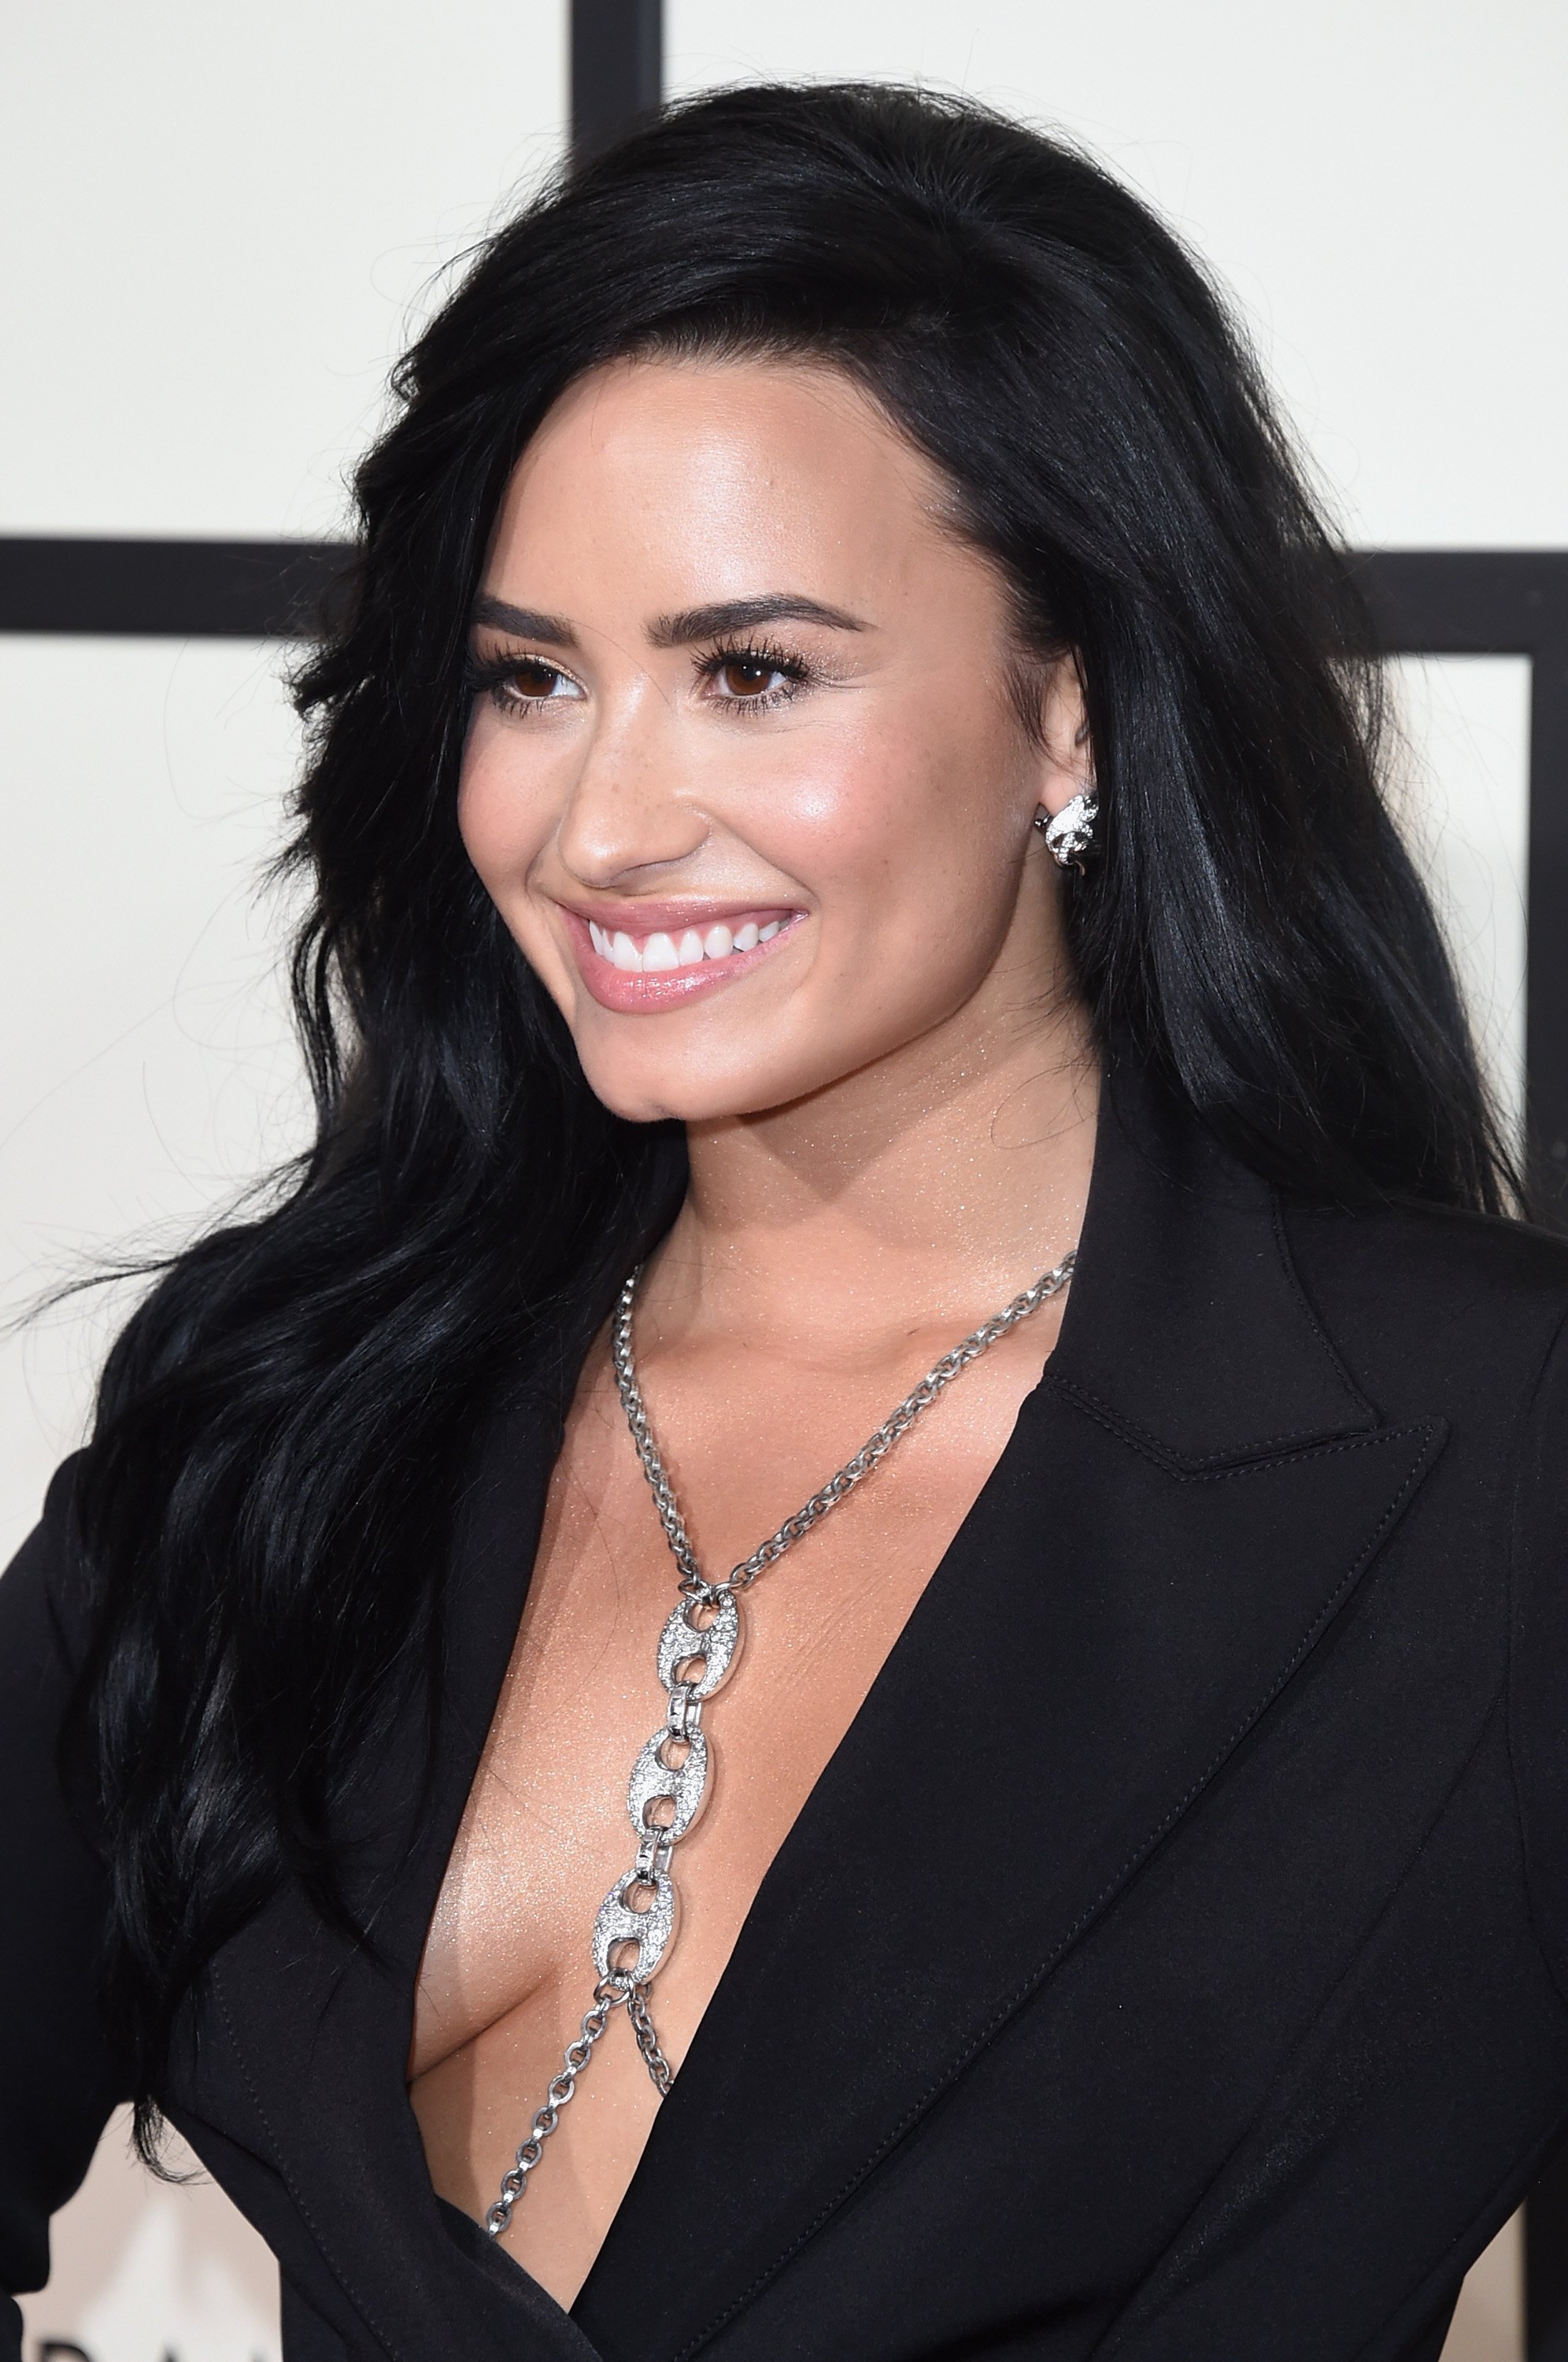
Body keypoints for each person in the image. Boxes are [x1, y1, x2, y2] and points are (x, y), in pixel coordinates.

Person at [2, 78, 1564, 2362]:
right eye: (530, 677)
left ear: (1073, 711)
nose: (601, 818)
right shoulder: (295, 1405)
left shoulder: (1493, 1457)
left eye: (755, 673)